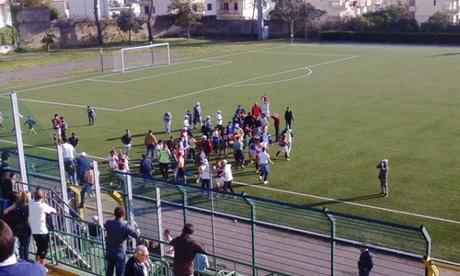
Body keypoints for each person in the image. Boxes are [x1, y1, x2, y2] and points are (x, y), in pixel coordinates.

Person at [105, 207, 140, 276]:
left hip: (109, 252)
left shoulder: (108, 223)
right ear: (123, 215)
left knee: (109, 272)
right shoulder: (125, 226)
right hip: (120, 253)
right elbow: (136, 235)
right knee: (120, 273)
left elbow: (105, 226)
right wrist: (136, 228)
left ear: (114, 214)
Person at [29, 190, 56, 266]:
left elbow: (34, 201)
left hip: (34, 230)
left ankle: (36, 265)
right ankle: (41, 267)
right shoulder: (43, 206)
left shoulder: (31, 204)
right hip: (42, 231)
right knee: (44, 250)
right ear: (42, 197)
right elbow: (54, 211)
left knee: (39, 248)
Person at [3, 191, 31, 260]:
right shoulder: (30, 206)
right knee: (26, 246)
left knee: (21, 245)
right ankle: (26, 260)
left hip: (17, 228)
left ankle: (22, 259)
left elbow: (5, 211)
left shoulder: (17, 204)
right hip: (26, 228)